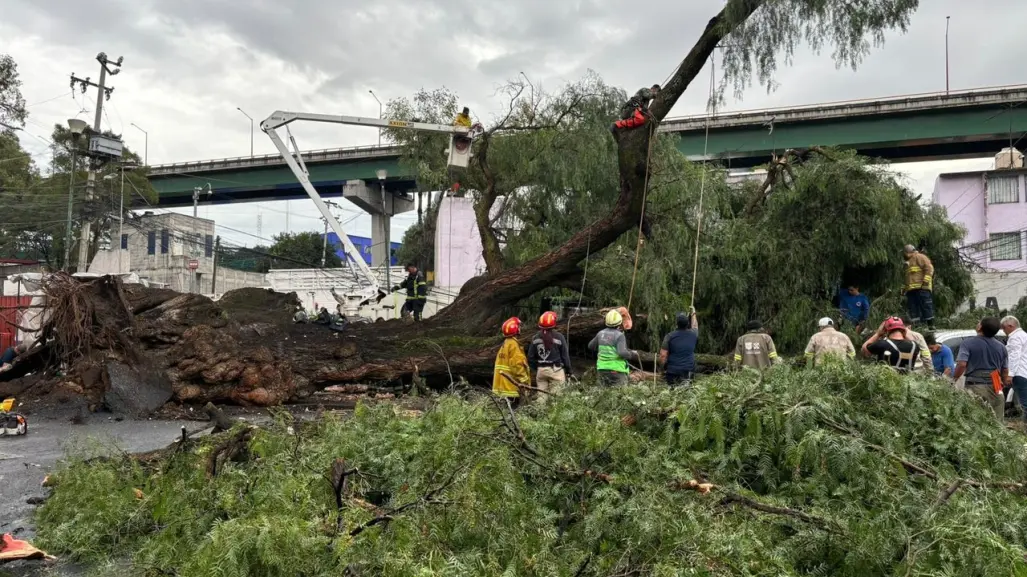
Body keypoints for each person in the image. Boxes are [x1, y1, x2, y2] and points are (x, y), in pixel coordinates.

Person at [953, 317, 1008, 420]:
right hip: (996, 385)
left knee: (977, 420)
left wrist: (954, 379)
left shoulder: (967, 343)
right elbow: (1005, 370)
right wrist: (1004, 383)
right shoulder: (1001, 347)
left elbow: (961, 364)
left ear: (979, 327)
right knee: (997, 421)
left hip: (976, 385)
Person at [527, 311, 572, 403]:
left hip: (541, 372)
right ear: (554, 324)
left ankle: (538, 414)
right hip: (556, 371)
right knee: (556, 399)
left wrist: (538, 367)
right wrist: (569, 371)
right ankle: (553, 416)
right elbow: (565, 356)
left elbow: (530, 357)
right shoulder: (559, 337)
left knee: (541, 398)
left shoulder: (535, 338)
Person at [588, 309, 639, 386]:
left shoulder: (600, 333)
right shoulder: (620, 335)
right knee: (619, 395)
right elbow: (622, 353)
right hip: (617, 371)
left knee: (603, 395)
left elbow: (590, 346)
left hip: (602, 370)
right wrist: (632, 354)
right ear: (620, 323)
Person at [493, 317, 531, 404]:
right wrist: (524, 380)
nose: (520, 328)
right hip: (510, 386)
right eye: (518, 326)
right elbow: (517, 365)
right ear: (515, 329)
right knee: (513, 411)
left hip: (502, 386)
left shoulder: (505, 344)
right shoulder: (514, 345)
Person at [659, 307, 698, 386]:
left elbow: (663, 356)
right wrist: (693, 313)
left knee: (672, 394)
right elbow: (695, 326)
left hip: (673, 371)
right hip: (688, 370)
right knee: (687, 393)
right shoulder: (694, 334)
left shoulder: (669, 336)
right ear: (687, 324)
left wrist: (662, 369)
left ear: (676, 324)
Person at [903, 244, 936, 329]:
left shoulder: (920, 257)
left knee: (926, 306)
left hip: (922, 288)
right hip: (911, 290)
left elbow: (929, 268)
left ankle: (931, 325)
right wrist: (904, 288)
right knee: (913, 309)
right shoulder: (908, 262)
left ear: (908, 252)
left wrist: (925, 281)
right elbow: (907, 278)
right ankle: (917, 327)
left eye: (905, 253)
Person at [1001, 315, 1027, 421]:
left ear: (1010, 326)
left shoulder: (1015, 337)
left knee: (1024, 404)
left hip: (1019, 373)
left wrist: (1010, 374)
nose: (1003, 331)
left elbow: (1014, 356)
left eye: (1004, 328)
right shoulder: (1024, 335)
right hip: (1024, 372)